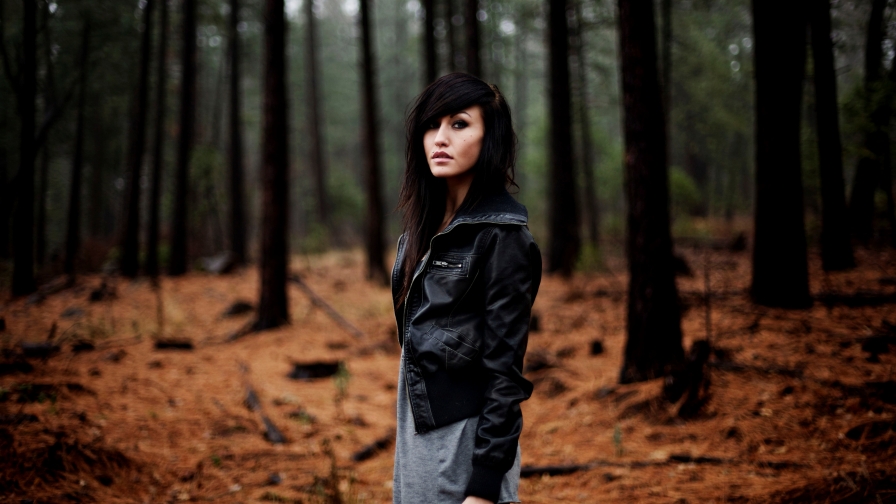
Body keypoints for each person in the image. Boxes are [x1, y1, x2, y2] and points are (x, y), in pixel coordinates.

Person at [391, 72, 542, 504]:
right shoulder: (421, 234)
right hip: (417, 431)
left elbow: (505, 373)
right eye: (431, 125)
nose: (440, 138)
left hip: (464, 442)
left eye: (459, 124)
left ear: (488, 137)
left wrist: (484, 483)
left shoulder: (503, 237)